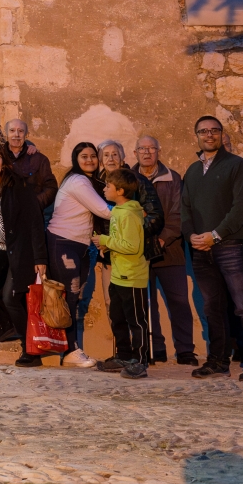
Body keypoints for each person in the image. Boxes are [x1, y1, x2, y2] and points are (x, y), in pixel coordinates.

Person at [181, 115, 243, 382]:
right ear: (196, 135)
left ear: (221, 134)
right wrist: (192, 236)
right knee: (212, 307)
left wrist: (216, 235)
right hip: (200, 250)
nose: (209, 135)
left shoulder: (236, 165)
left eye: (214, 131)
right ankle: (218, 361)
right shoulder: (193, 170)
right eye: (203, 131)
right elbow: (184, 209)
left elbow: (242, 209)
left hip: (230, 245)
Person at [0, 143, 47, 363]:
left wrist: (40, 257)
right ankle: (5, 324)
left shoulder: (19, 185)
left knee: (11, 297)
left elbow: (35, 222)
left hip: (19, 250)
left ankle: (31, 350)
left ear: (4, 162)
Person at [133, 135, 196, 366]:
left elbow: (179, 214)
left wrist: (163, 238)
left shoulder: (173, 178)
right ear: (135, 153)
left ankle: (186, 350)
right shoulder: (130, 179)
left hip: (170, 252)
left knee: (179, 301)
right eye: (142, 148)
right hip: (138, 253)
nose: (147, 152)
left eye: (152, 148)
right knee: (147, 304)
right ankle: (155, 347)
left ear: (159, 151)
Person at [46, 142, 107, 368]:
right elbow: (103, 210)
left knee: (75, 298)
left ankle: (70, 348)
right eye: (84, 156)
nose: (90, 160)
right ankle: (70, 351)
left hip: (79, 247)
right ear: (76, 159)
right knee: (69, 298)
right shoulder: (78, 181)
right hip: (64, 243)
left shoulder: (90, 181)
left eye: (93, 156)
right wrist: (131, 211)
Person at [93, 167, 150, 379]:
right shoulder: (118, 211)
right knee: (117, 317)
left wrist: (106, 241)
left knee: (136, 321)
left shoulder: (130, 214)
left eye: (108, 186)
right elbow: (121, 241)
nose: (105, 189)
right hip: (118, 275)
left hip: (132, 277)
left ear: (120, 191)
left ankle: (141, 361)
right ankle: (123, 355)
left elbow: (132, 246)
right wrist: (107, 245)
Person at [0, 119, 58, 211]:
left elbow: (51, 187)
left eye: (21, 131)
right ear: (6, 133)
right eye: (12, 130)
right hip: (3, 216)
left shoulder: (39, 159)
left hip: (31, 218)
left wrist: (34, 204)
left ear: (26, 134)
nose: (16, 135)